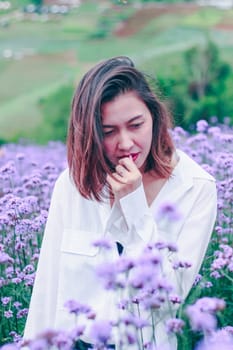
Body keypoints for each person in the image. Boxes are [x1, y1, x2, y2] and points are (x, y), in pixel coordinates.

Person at [23, 56, 217, 349]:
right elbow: (47, 290)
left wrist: (134, 206)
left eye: (136, 125)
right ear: (89, 133)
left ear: (155, 117)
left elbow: (164, 300)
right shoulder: (72, 184)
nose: (125, 144)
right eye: (108, 131)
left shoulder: (196, 189)